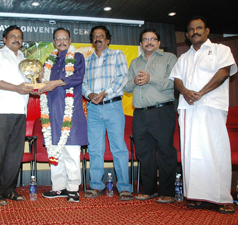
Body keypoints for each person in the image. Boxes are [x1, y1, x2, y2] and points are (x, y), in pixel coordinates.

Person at [170, 17, 237, 214]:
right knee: (192, 153)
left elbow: (224, 72)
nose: (195, 32)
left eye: (199, 28)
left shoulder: (220, 50)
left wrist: (201, 92)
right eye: (191, 30)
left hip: (211, 106)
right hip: (189, 109)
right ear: (187, 34)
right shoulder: (184, 57)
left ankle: (223, 197)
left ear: (207, 31)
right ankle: (198, 196)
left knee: (216, 150)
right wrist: (185, 92)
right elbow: (177, 80)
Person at [124, 28, 177, 203]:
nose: (149, 42)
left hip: (162, 111)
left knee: (165, 152)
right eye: (145, 40)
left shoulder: (169, 58)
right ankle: (148, 189)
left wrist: (150, 78)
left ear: (159, 42)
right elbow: (126, 88)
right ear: (140, 44)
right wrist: (134, 81)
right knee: (144, 153)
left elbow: (172, 83)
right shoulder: (134, 62)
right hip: (140, 113)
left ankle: (168, 192)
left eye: (153, 39)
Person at [0, 25, 33, 206]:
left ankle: (9, 189)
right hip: (1, 110)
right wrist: (16, 88)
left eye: (19, 37)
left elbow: (28, 86)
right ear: (5, 39)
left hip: (20, 110)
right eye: (12, 36)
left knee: (14, 154)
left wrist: (37, 83)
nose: (16, 39)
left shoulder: (24, 59)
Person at [82, 25, 133, 201]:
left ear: (108, 39)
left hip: (113, 106)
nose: (98, 39)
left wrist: (105, 93)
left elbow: (123, 77)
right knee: (95, 148)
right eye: (95, 36)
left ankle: (125, 187)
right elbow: (82, 82)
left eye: (101, 36)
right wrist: (89, 94)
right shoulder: (87, 60)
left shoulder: (117, 54)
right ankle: (96, 185)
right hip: (93, 108)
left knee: (119, 147)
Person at [40, 28, 88, 203]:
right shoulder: (49, 61)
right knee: (54, 150)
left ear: (69, 40)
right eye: (58, 39)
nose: (61, 42)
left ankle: (73, 188)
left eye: (64, 39)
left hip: (71, 111)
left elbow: (78, 77)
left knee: (71, 151)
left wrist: (57, 83)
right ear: (54, 42)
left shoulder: (77, 57)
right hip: (52, 111)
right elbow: (44, 84)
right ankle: (58, 187)